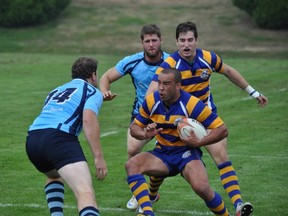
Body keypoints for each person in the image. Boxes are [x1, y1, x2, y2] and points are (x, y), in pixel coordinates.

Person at [146, 21, 268, 216]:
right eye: (182, 40)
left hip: (206, 119)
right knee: (164, 161)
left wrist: (253, 92)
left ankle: (238, 204)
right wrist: (150, 117)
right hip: (180, 123)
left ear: (197, 41)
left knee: (222, 158)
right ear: (176, 42)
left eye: (190, 40)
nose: (187, 45)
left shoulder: (208, 58)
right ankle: (152, 194)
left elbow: (228, 71)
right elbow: (153, 91)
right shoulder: (170, 64)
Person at [126, 68, 230, 216]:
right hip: (162, 153)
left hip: (186, 154)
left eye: (166, 84)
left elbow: (222, 129)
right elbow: (134, 127)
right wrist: (144, 134)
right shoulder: (151, 101)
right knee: (131, 165)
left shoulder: (192, 104)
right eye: (159, 83)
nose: (161, 88)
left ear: (177, 86)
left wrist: (199, 142)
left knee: (202, 188)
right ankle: (148, 213)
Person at [25, 57, 108, 216]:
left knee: (54, 175)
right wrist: (98, 157)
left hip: (33, 139)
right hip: (59, 139)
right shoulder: (92, 91)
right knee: (85, 192)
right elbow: (88, 119)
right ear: (94, 75)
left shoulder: (55, 90)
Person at [99, 24, 169, 210]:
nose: (151, 44)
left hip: (168, 116)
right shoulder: (133, 61)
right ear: (142, 43)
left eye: (155, 40)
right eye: (147, 41)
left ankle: (150, 195)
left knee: (167, 157)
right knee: (132, 150)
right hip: (142, 115)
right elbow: (106, 76)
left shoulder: (172, 61)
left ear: (161, 40)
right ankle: (139, 192)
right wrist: (105, 92)